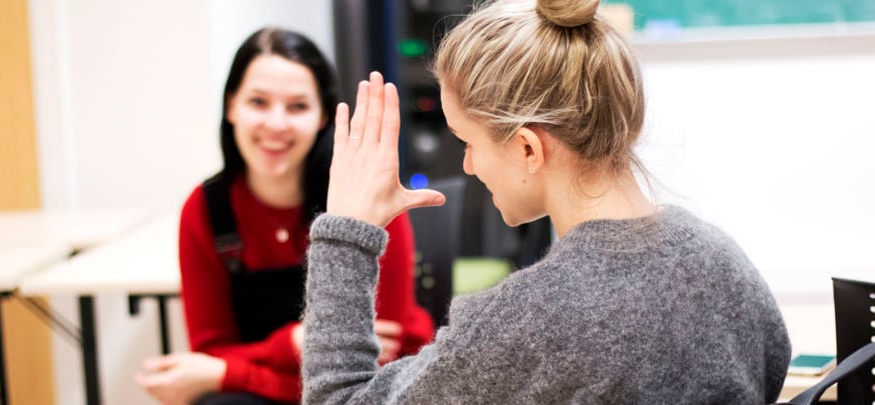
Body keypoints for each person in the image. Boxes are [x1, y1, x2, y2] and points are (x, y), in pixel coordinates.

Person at [301, 0, 792, 403]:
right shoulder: (723, 262)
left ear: (528, 149)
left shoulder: (525, 323)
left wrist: (346, 231)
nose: (467, 166)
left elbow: (338, 400)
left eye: (468, 142)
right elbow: (774, 364)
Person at [134, 27, 434, 405]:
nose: (276, 124)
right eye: (258, 102)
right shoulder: (206, 209)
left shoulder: (363, 198)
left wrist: (232, 372)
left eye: (297, 106)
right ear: (231, 106)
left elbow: (376, 359)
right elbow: (211, 352)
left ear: (323, 116)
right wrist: (291, 343)